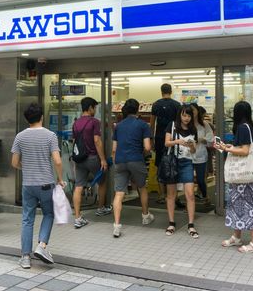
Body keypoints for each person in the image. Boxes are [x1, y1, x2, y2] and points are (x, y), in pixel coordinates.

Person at [11, 103, 65, 269]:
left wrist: (26, 167)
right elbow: (57, 160)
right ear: (42, 117)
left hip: (28, 184)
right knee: (48, 214)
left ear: (27, 119)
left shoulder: (20, 136)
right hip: (46, 184)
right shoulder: (50, 136)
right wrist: (60, 179)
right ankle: (41, 246)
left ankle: (25, 257)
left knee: (27, 218)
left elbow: (14, 163)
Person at [215, 100, 253, 253]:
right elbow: (242, 148)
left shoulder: (242, 127)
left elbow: (245, 151)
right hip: (241, 176)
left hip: (243, 177)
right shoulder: (247, 126)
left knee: (247, 207)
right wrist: (227, 147)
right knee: (236, 205)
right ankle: (236, 236)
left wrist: (226, 149)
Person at [112, 98, 154, 238]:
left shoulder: (118, 126)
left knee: (119, 193)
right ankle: (145, 216)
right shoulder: (143, 125)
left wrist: (116, 161)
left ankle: (117, 226)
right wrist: (143, 153)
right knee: (142, 188)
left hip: (120, 160)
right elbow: (147, 147)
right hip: (136, 159)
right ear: (137, 109)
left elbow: (114, 149)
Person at [71, 97, 109, 228]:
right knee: (102, 181)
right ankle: (100, 208)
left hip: (79, 158)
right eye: (95, 107)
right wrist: (103, 159)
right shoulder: (94, 122)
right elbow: (97, 141)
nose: (96, 110)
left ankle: (77, 217)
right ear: (90, 108)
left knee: (78, 186)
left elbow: (75, 140)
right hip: (92, 158)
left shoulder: (75, 123)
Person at [164, 105, 199, 238]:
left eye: (189, 116)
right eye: (184, 115)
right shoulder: (172, 126)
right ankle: (171, 223)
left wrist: (191, 146)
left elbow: (194, 150)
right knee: (171, 194)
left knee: (190, 194)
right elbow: (166, 143)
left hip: (187, 162)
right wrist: (178, 141)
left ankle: (191, 225)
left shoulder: (193, 129)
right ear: (180, 115)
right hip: (173, 162)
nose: (186, 118)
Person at [151, 84, 181, 205]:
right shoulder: (177, 105)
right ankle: (175, 195)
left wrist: (151, 139)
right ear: (171, 91)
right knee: (174, 164)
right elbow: (179, 123)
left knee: (159, 164)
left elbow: (152, 123)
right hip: (173, 138)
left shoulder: (156, 104)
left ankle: (162, 194)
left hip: (159, 138)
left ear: (161, 91)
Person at [191, 104, 214, 203]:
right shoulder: (186, 124)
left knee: (200, 180)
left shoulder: (205, 124)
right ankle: (189, 202)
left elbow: (210, 138)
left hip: (201, 155)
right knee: (188, 181)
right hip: (187, 156)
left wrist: (203, 139)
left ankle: (205, 196)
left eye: (193, 110)